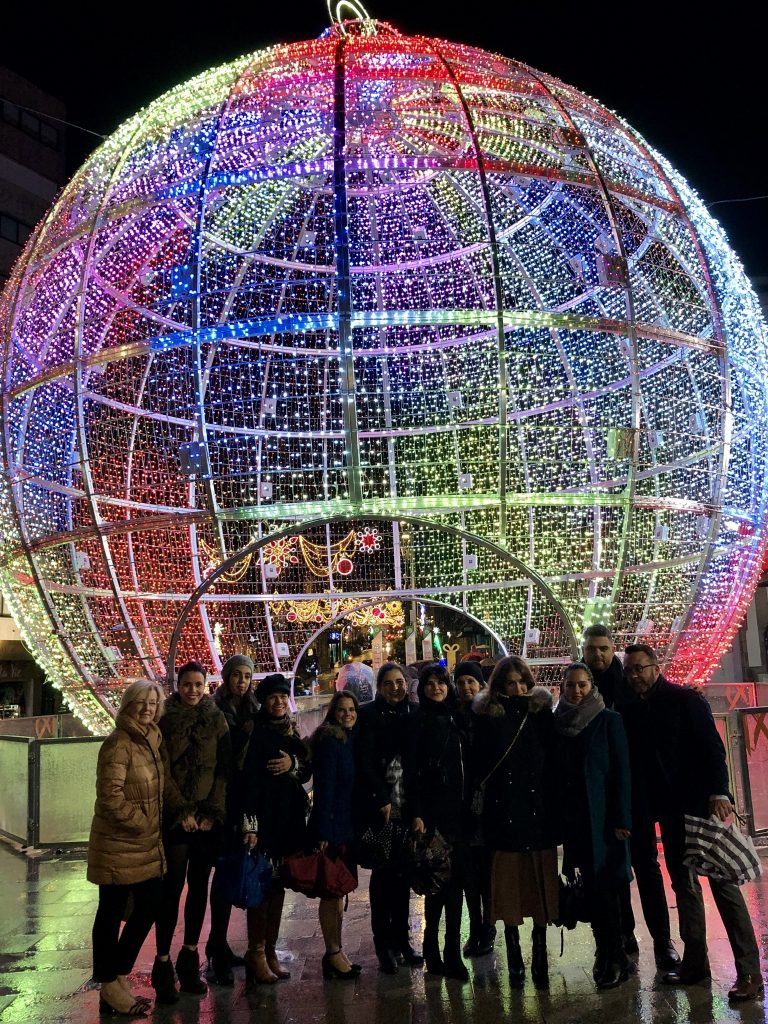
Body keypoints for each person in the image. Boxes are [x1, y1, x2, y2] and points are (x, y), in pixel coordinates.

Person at [620, 644, 763, 1002]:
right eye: (630, 670)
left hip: (700, 808)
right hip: (669, 813)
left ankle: (749, 972)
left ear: (655, 668)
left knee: (723, 887)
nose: (635, 675)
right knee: (683, 886)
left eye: (640, 668)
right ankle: (695, 964)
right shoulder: (631, 708)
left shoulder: (685, 700)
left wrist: (719, 792)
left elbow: (713, 748)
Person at [472, 655, 558, 990]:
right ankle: (513, 955)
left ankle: (538, 950)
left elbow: (552, 763)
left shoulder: (541, 717)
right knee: (506, 889)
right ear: (499, 686)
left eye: (523, 681)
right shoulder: (489, 719)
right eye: (511, 682)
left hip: (537, 816)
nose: (518, 688)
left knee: (538, 886)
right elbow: (482, 764)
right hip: (503, 815)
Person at [151, 662, 231, 1003]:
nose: (193, 690)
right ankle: (163, 963)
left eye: (199, 684)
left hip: (206, 819)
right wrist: (181, 811)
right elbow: (162, 770)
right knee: (171, 889)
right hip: (176, 818)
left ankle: (189, 956)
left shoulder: (216, 719)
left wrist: (212, 812)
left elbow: (224, 770)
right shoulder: (165, 720)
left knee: (199, 887)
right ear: (178, 685)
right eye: (187, 684)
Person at [87, 680, 166, 1017]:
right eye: (141, 702)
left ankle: (116, 976)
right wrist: (143, 822)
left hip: (143, 844)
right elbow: (110, 797)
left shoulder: (151, 738)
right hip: (119, 844)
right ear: (128, 704)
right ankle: (109, 982)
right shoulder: (119, 743)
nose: (147, 708)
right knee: (111, 910)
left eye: (152, 703)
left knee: (147, 907)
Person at [553, 662, 633, 989]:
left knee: (609, 891)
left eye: (582, 685)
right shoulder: (559, 723)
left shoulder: (608, 720)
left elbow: (622, 772)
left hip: (605, 823)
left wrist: (622, 819)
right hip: (576, 822)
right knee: (590, 889)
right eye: (571, 685)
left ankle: (617, 956)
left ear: (591, 686)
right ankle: (604, 951)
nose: (576, 691)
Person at [236, 673, 311, 984]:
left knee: (278, 886)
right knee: (262, 887)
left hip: (287, 822)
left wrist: (292, 765)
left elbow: (307, 771)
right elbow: (247, 783)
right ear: (264, 702)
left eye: (282, 697)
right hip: (264, 824)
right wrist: (249, 825)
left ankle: (269, 950)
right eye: (273, 698)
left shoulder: (290, 732)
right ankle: (255, 951)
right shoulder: (256, 734)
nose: (279, 702)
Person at [581, 625, 648, 961]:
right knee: (602, 871)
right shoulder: (579, 691)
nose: (598, 655)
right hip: (594, 800)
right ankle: (611, 937)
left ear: (613, 649)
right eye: (592, 649)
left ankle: (641, 935)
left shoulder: (628, 687)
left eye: (604, 648)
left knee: (637, 868)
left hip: (632, 794)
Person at [404, 665, 470, 981]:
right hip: (431, 814)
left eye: (441, 682)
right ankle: (431, 946)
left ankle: (452, 951)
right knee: (435, 884)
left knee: (455, 885)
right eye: (430, 683)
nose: (436, 688)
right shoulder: (417, 722)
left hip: (458, 813)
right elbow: (412, 771)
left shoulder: (457, 717)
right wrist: (416, 812)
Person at [356, 661, 422, 974]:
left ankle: (402, 940)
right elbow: (364, 762)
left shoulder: (413, 713)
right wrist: (380, 799)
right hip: (382, 810)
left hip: (406, 808)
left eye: (400, 682)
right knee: (383, 878)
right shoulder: (368, 715)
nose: (396, 688)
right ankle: (383, 944)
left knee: (403, 876)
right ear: (380, 686)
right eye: (389, 683)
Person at [205, 653, 258, 983]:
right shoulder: (214, 710)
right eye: (236, 675)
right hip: (221, 798)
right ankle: (216, 944)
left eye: (246, 676)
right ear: (226, 677)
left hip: (245, 798)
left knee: (237, 867)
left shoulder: (254, 708)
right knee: (222, 871)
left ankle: (224, 944)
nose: (242, 681)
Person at [308, 691, 362, 980]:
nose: (348, 714)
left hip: (345, 826)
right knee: (331, 893)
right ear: (333, 713)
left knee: (339, 893)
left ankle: (337, 950)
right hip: (333, 828)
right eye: (341, 710)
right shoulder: (331, 742)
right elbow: (324, 790)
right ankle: (331, 952)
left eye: (351, 709)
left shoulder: (348, 739)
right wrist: (323, 831)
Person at [453, 660, 495, 958]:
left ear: (481, 685)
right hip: (462, 807)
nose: (466, 687)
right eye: (462, 682)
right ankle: (476, 925)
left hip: (490, 806)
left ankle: (489, 927)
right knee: (468, 873)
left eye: (472, 681)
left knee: (488, 872)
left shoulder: (491, 716)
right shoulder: (452, 717)